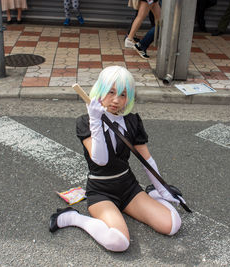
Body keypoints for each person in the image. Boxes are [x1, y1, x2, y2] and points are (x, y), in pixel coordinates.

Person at [49, 66, 182, 252]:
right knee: (118, 242)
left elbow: (147, 160)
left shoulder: (131, 121)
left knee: (172, 225)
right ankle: (73, 218)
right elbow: (100, 160)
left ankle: (152, 193)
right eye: (111, 92)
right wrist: (95, 120)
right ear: (100, 90)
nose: (116, 100)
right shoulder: (85, 121)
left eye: (123, 95)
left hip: (129, 186)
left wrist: (163, 189)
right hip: (101, 192)